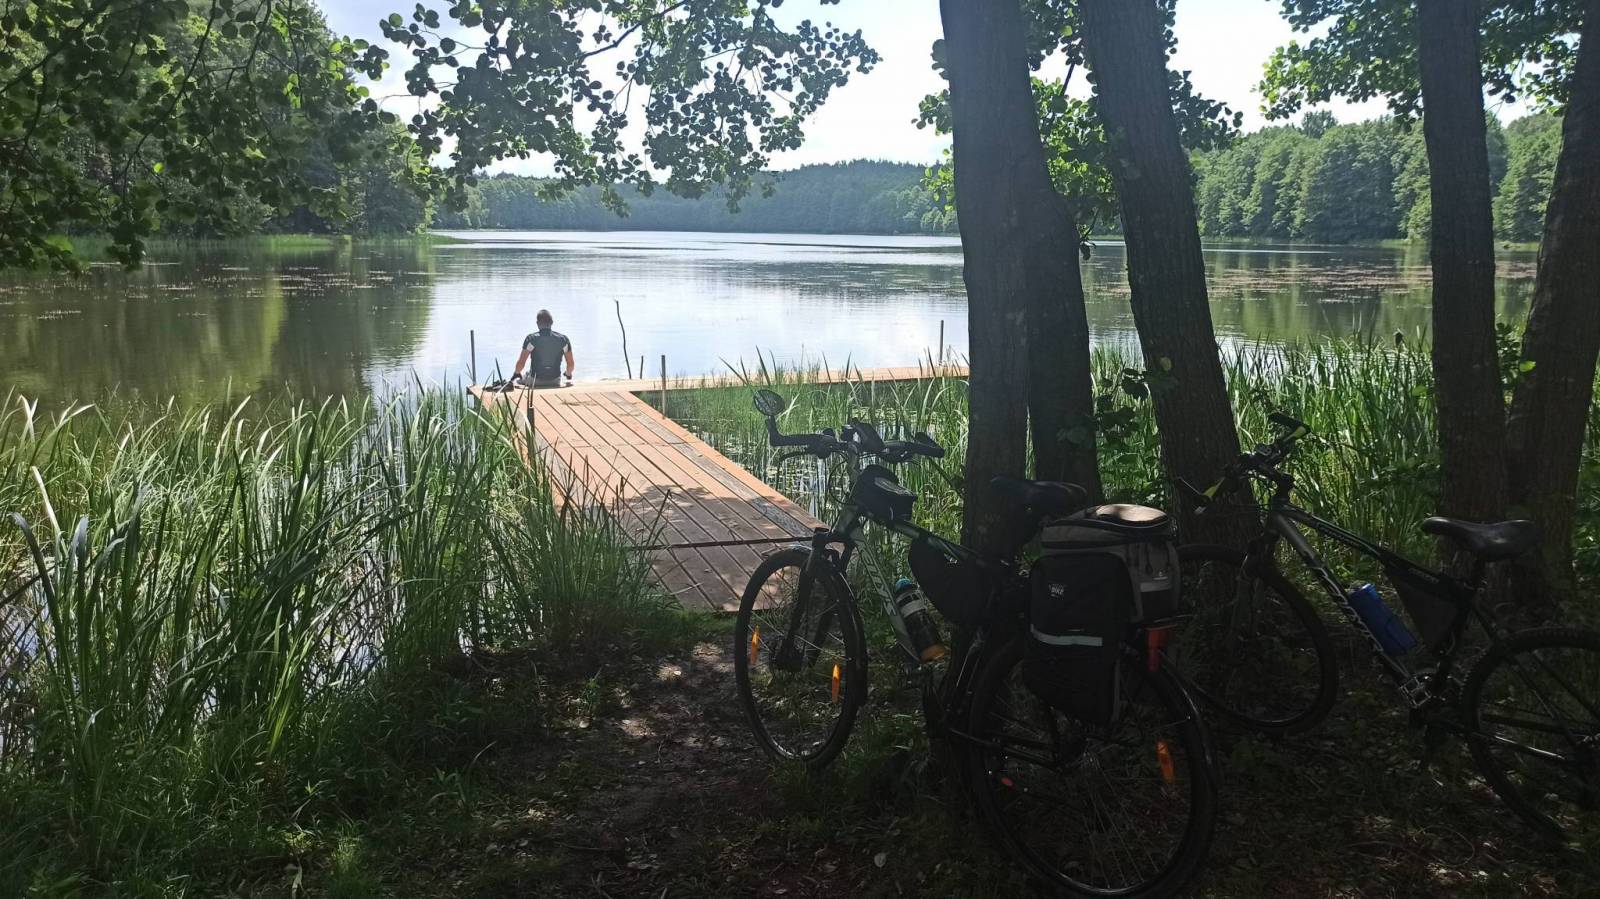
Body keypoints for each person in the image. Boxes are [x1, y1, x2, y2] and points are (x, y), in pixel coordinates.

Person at [513, 309, 575, 388]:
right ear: (552, 322)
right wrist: (568, 374)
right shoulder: (564, 339)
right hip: (555, 381)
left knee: (519, 380)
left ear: (537, 323)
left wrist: (516, 373)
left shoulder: (531, 339)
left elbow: (521, 363)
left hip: (535, 380)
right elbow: (570, 364)